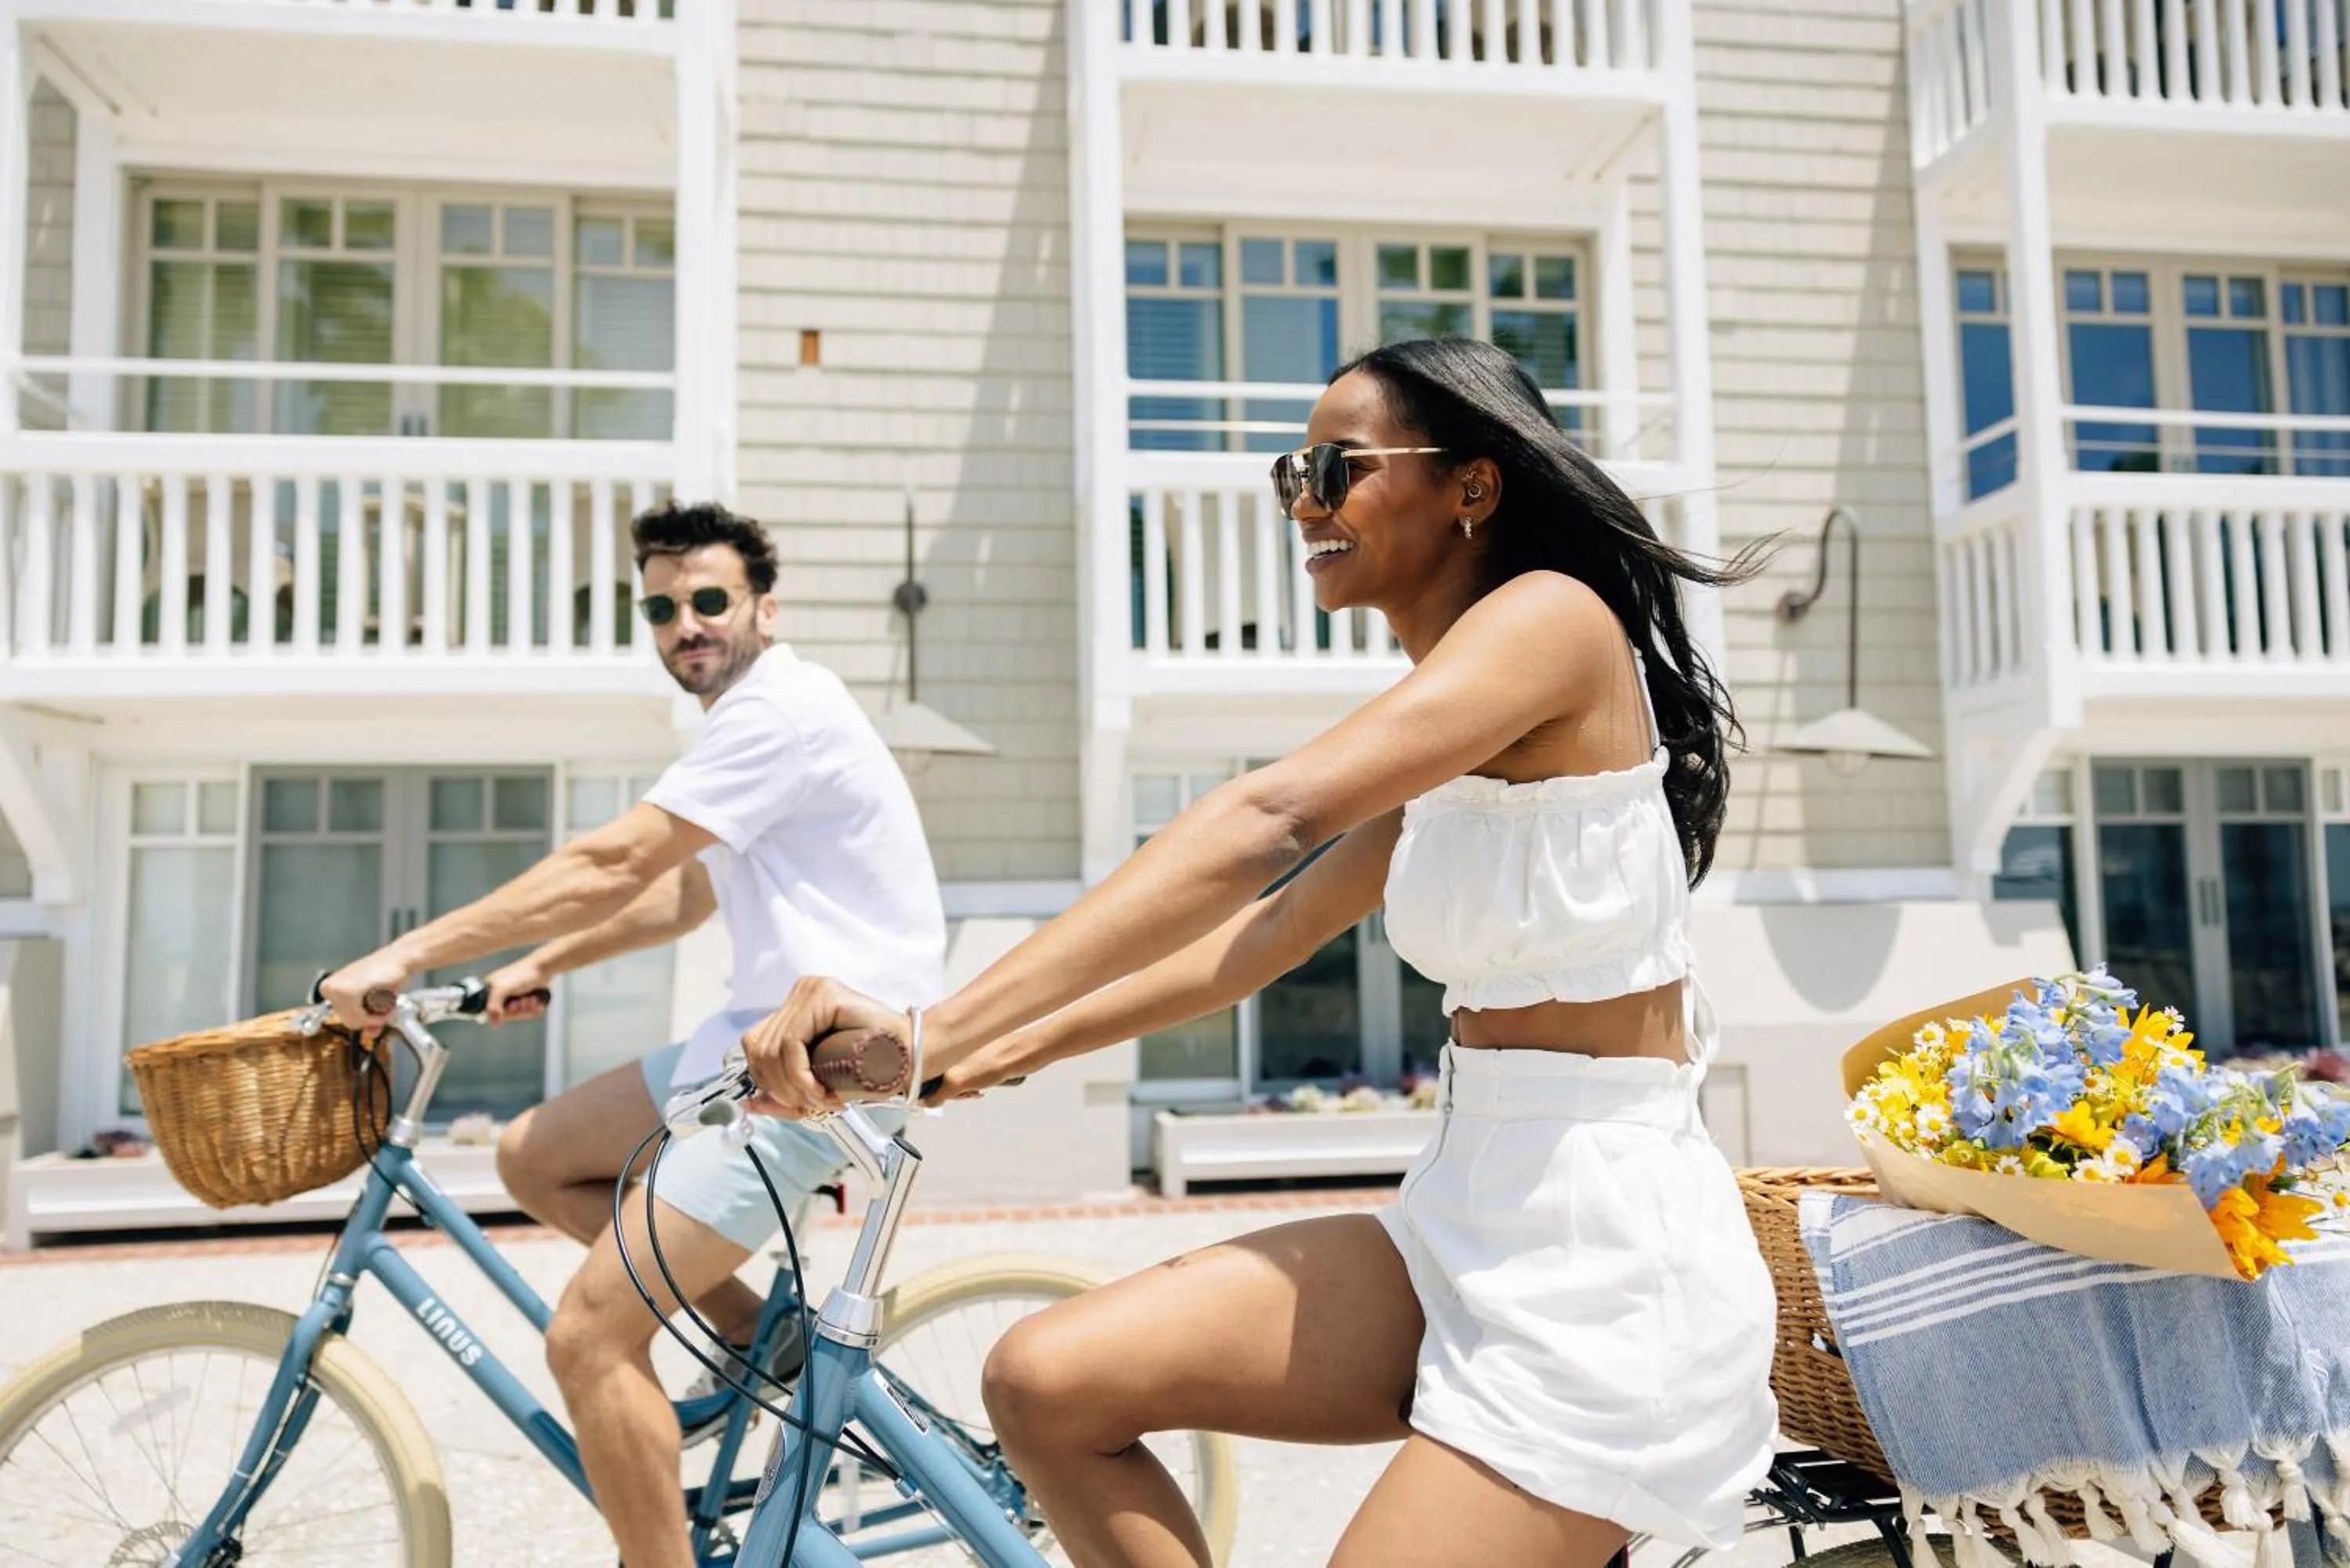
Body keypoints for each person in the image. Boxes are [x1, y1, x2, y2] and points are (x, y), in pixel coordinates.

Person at [740, 337, 1780, 1568]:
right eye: (1293, 474)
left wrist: (939, 1024)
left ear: (1473, 486)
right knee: (1048, 1380)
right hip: (1462, 1219)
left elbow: (1265, 822)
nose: (1306, 503)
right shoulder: (1452, 723)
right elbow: (1260, 936)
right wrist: (978, 1049)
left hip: (1610, 1265)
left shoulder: (1551, 623)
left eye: (1337, 468)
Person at [320, 500, 946, 1568]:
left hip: (821, 1064)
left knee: (588, 1336)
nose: (683, 624)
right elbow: (682, 898)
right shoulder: (747, 717)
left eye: (708, 599)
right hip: (747, 1043)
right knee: (534, 1155)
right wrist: (536, 965)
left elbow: (616, 862)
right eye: (660, 606)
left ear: (762, 606)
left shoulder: (777, 711)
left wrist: (405, 953)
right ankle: (756, 1331)